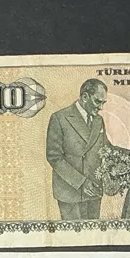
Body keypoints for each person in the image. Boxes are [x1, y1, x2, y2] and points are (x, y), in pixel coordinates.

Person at [45, 78, 112, 220]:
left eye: (103, 103)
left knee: (93, 231)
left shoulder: (98, 120)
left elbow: (106, 148)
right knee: (74, 232)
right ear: (85, 97)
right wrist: (81, 182)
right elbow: (54, 157)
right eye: (97, 101)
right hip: (70, 192)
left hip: (94, 190)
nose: (101, 107)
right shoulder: (59, 118)